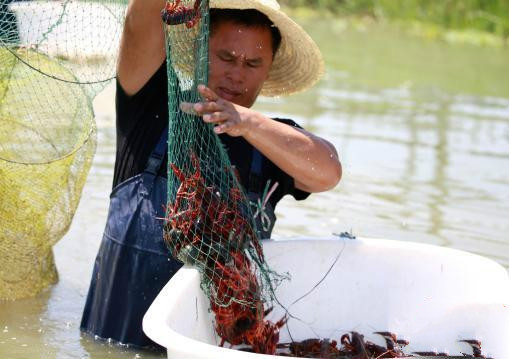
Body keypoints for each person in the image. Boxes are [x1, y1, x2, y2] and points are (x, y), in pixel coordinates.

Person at [80, 0, 342, 349]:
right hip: (112, 347)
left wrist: (247, 122)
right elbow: (139, 18)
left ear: (268, 70)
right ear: (201, 50)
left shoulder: (271, 142)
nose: (237, 74)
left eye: (252, 63)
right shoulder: (150, 105)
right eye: (226, 57)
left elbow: (328, 172)